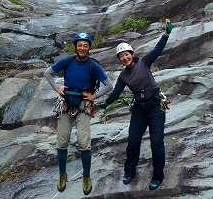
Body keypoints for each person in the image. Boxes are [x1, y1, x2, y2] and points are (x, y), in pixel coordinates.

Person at [99, 19, 173, 191]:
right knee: (132, 142)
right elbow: (116, 92)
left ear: (132, 53)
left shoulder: (144, 62)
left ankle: (158, 175)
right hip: (139, 108)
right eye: (121, 56)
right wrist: (105, 104)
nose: (125, 57)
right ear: (120, 59)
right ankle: (129, 171)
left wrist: (166, 33)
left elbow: (158, 49)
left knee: (157, 143)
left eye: (126, 54)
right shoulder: (123, 76)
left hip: (155, 106)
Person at [44, 32, 113, 195]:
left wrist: (94, 96)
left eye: (85, 45)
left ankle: (86, 176)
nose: (82, 48)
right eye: (79, 45)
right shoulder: (67, 61)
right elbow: (48, 73)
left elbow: (108, 85)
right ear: (75, 46)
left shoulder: (93, 65)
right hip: (66, 103)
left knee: (84, 143)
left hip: (83, 105)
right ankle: (62, 174)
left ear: (89, 48)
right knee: (62, 142)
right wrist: (57, 88)